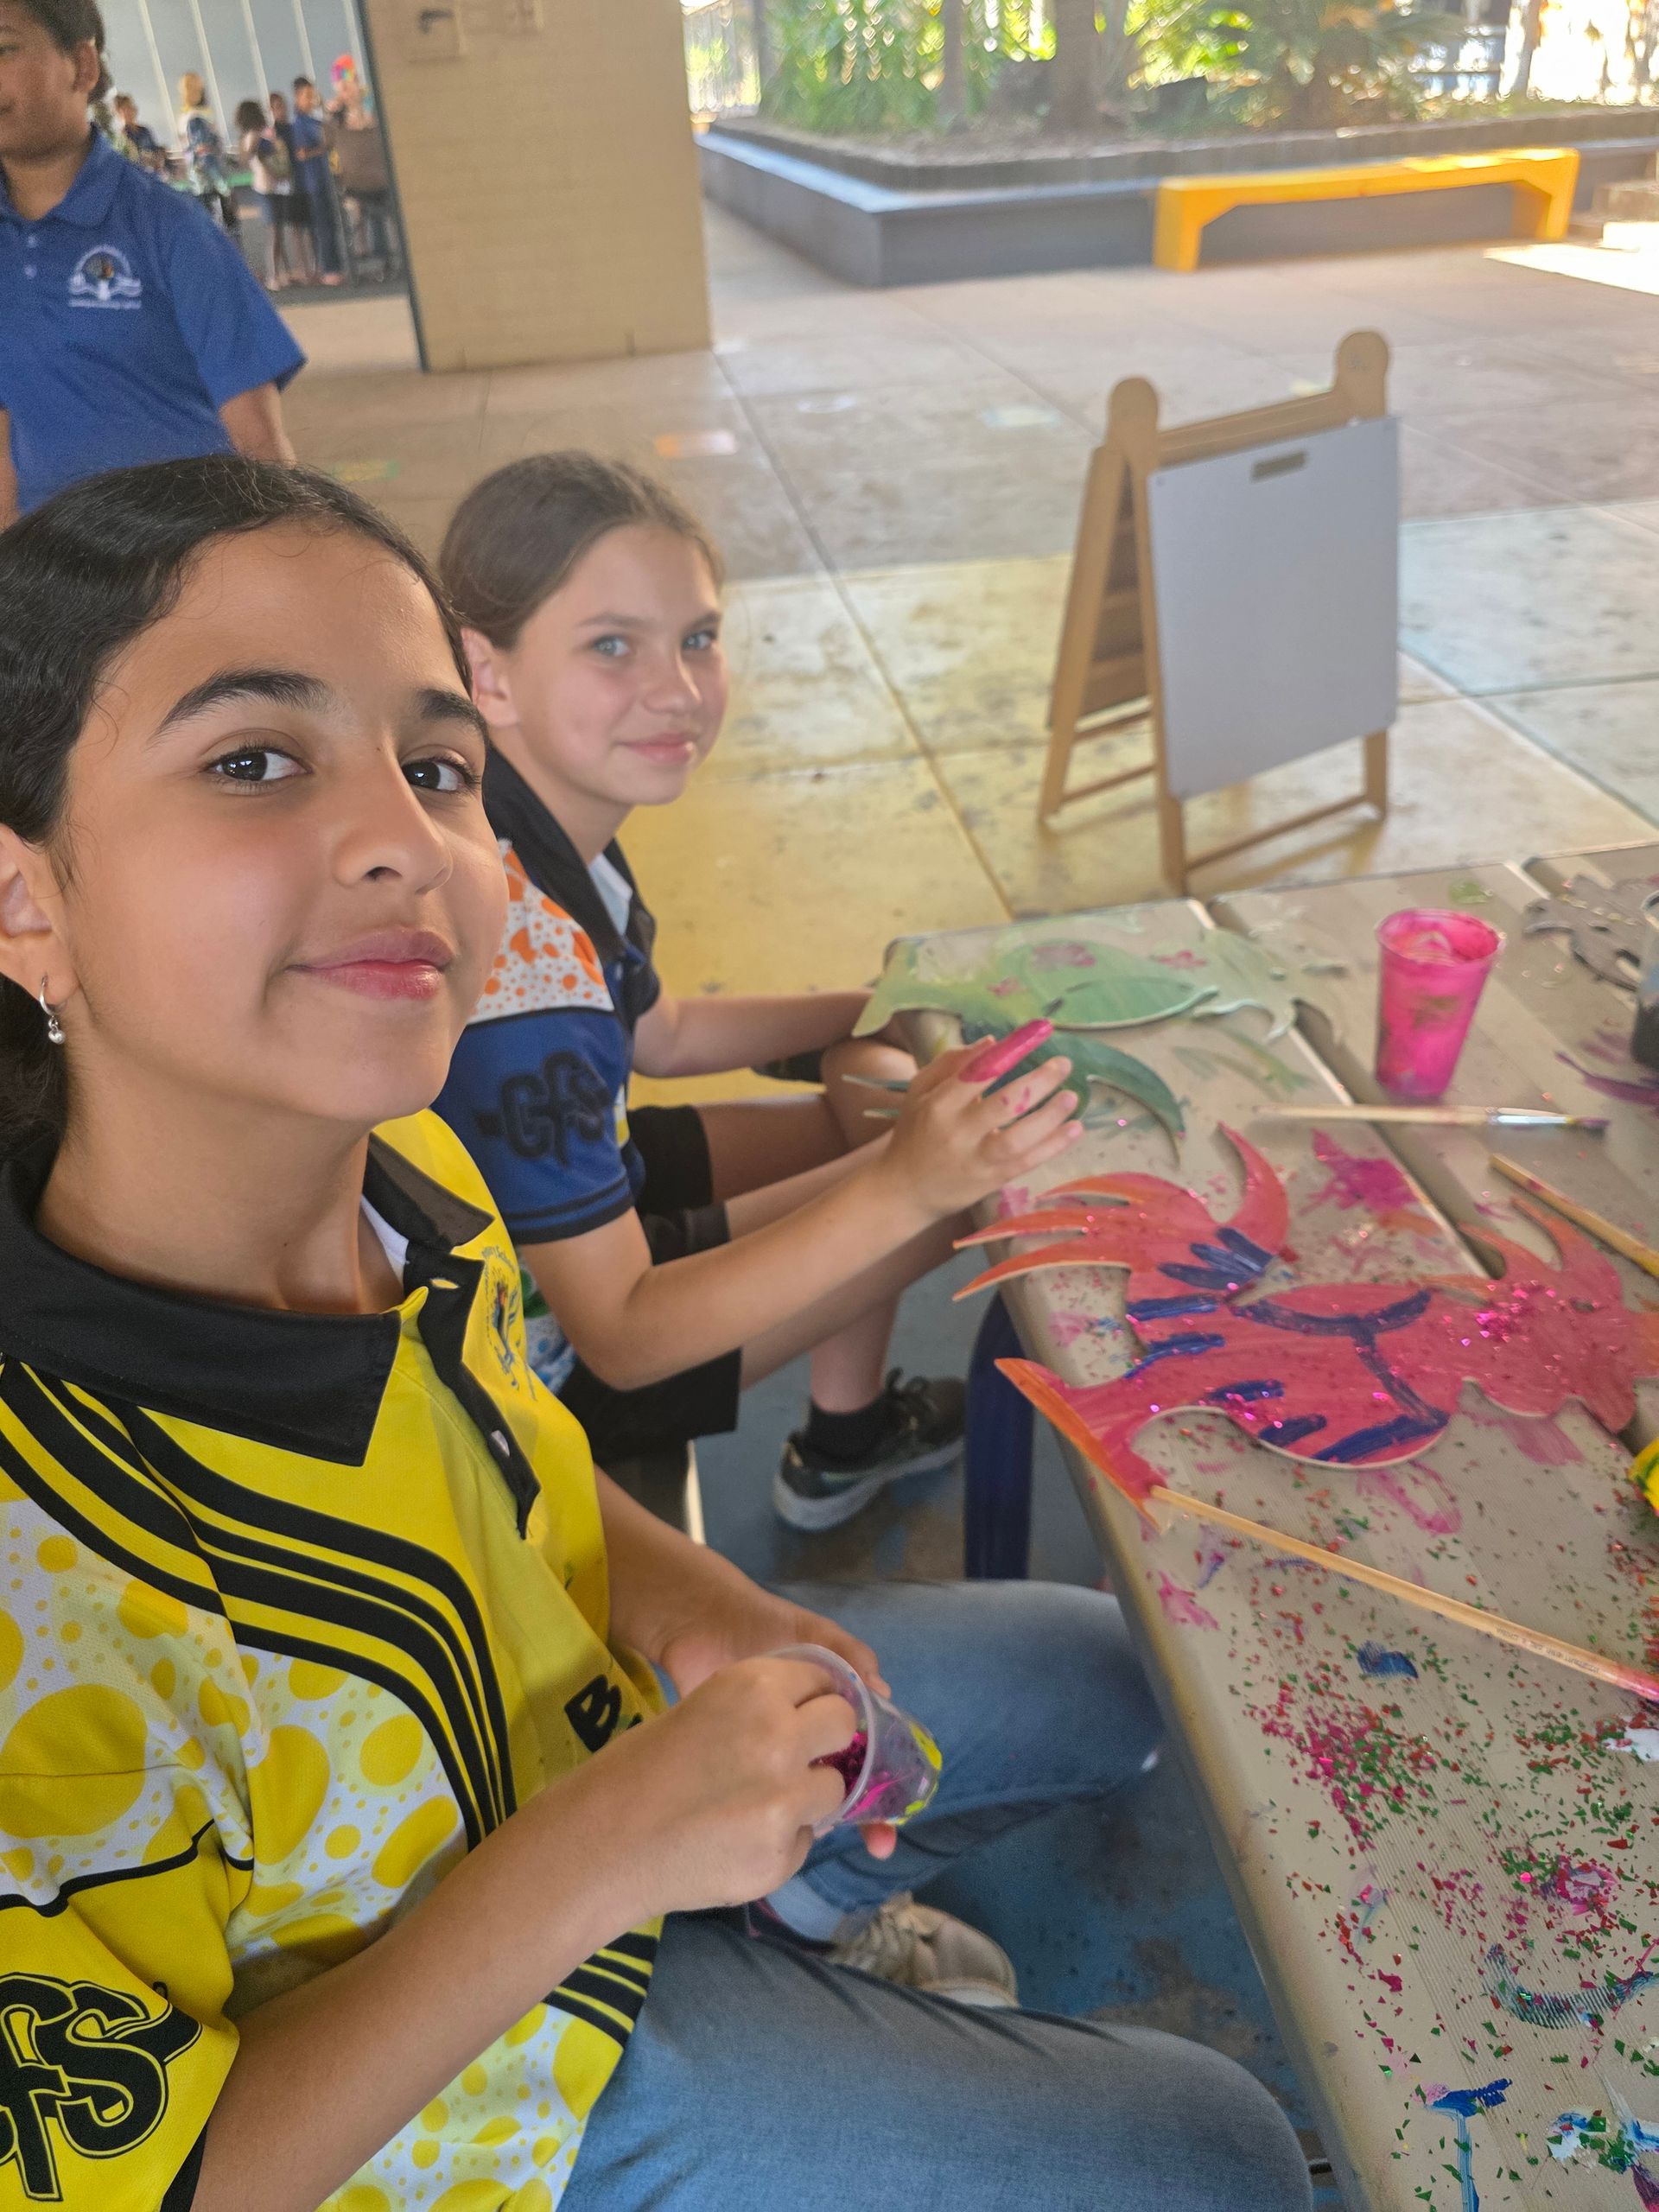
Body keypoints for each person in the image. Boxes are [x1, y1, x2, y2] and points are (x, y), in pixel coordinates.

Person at [0, 453, 1312, 2212]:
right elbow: (176, 2176)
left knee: (1112, 1669)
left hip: (605, 1772)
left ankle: (790, 1921)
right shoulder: (38, 1583)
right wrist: (612, 1850)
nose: (404, 835)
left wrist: (707, 1602)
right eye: (255, 759)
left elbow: (518, 1464)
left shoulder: (412, 1167)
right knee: (1223, 2153)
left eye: (437, 765)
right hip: (469, 2089)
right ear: (25, 902)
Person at [435, 454, 1055, 1527]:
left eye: (699, 639)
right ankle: (844, 1440)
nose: (676, 690)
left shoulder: (536, 822)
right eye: (611, 646)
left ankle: (843, 1440)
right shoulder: (522, 973)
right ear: (487, 675)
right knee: (942, 1183)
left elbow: (660, 1034)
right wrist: (904, 1185)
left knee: (871, 1088)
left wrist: (880, 1000)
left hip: (566, 1214)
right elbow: (621, 1338)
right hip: (542, 1369)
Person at [0, 0, 303, 524]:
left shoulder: (170, 228)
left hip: (185, 557)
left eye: (4, 48)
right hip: (53, 569)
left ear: (83, 66)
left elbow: (261, 446)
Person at [327, 71, 397, 278]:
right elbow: (326, 139)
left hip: (379, 178)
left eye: (349, 87)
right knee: (368, 211)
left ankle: (386, 260)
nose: (346, 93)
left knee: (384, 211)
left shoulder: (371, 109)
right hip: (355, 181)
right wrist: (333, 114)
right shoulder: (338, 121)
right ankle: (377, 257)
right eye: (342, 89)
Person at [289, 71, 343, 285]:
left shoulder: (313, 120)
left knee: (328, 223)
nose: (311, 99)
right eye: (306, 95)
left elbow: (329, 138)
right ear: (297, 97)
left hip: (322, 179)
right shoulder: (302, 123)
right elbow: (312, 147)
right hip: (314, 182)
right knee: (323, 225)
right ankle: (330, 268)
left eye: (313, 94)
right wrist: (322, 147)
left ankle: (334, 266)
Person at [235, 94, 294, 289]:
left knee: (276, 229)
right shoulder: (256, 136)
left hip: (265, 185)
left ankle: (282, 272)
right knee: (274, 231)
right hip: (267, 185)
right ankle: (274, 274)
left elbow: (244, 161)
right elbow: (259, 158)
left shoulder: (251, 136)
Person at [176, 68, 237, 233]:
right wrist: (224, 186)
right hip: (210, 184)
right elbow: (205, 154)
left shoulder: (185, 118)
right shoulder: (197, 118)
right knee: (226, 232)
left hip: (198, 182)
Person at [266, 87, 315, 285]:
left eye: (282, 106)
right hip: (282, 185)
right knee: (281, 229)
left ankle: (307, 268)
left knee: (301, 227)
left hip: (298, 181)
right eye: (276, 107)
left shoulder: (292, 128)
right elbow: (265, 158)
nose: (281, 110)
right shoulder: (271, 133)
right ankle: (283, 272)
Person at [111, 87, 162, 168]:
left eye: (129, 108)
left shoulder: (145, 130)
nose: (129, 112)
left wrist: (159, 157)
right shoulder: (121, 136)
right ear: (118, 113)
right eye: (124, 110)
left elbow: (155, 149)